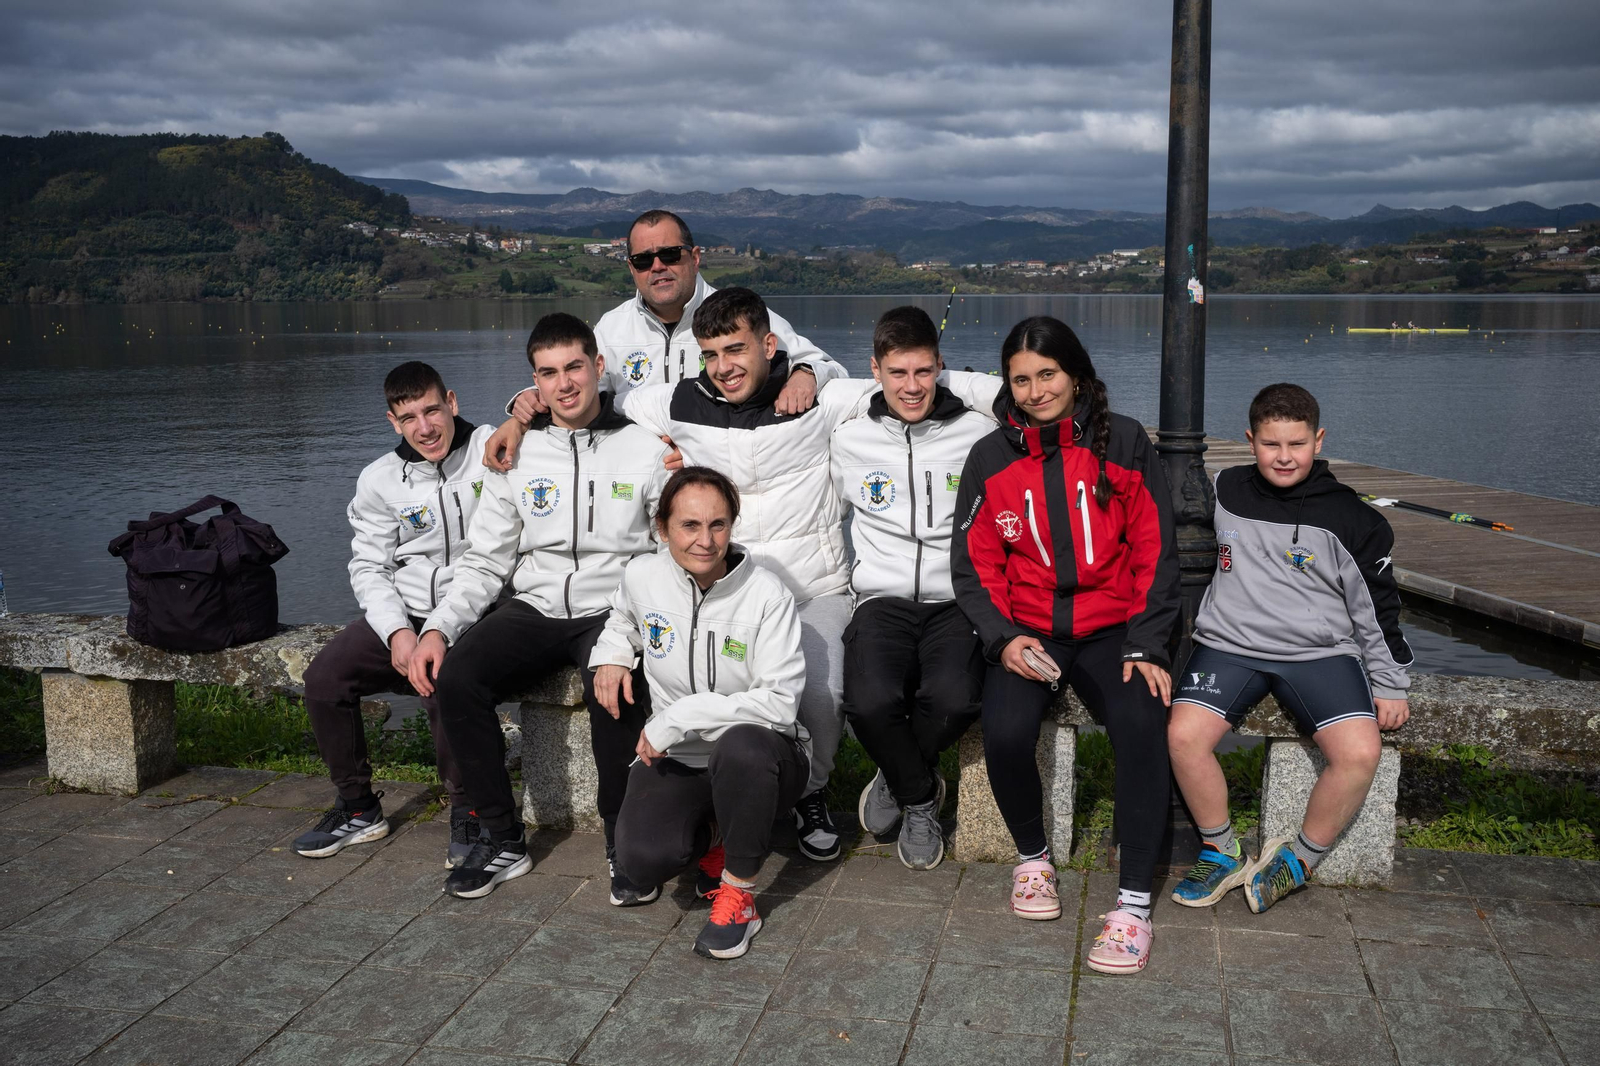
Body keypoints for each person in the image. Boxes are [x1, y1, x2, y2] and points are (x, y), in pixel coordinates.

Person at [490, 287, 856, 862]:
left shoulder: (818, 399)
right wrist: (519, 417)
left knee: (821, 691)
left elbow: (904, 386)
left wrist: (811, 369)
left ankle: (809, 793)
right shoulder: (676, 401)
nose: (723, 368)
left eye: (736, 350)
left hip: (812, 586)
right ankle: (710, 798)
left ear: (769, 344)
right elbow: (588, 399)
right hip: (723, 580)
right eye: (710, 354)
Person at [406, 314, 672, 901]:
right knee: (458, 678)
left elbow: (664, 555)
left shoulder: (647, 449)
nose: (565, 384)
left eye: (574, 367)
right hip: (537, 602)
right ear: (535, 382)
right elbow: (485, 559)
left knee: (618, 690)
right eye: (549, 373)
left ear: (599, 368)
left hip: (614, 606)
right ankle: (502, 837)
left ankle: (622, 841)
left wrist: (630, 632)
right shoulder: (516, 455)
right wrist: (437, 628)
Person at [950, 315, 1179, 976]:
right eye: (1021, 379)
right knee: (1004, 728)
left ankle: (1133, 906)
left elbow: (1155, 553)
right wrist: (1003, 639)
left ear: (1075, 374)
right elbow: (974, 565)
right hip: (1030, 632)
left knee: (1141, 725)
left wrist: (1146, 644)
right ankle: (1033, 860)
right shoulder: (991, 457)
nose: (1035, 390)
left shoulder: (1126, 442)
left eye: (1047, 374)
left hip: (1113, 633)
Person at [1167, 383, 1412, 914]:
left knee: (1360, 753)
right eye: (1270, 444)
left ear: (1318, 440)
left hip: (1319, 654)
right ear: (1250, 440)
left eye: (1297, 444)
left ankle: (1299, 858)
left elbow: (1379, 610)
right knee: (1184, 737)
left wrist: (1391, 682)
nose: (1283, 457)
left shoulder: (1355, 520)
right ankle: (1223, 850)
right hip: (1231, 645)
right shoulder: (1225, 486)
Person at [591, 467, 809, 960]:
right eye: (689, 526)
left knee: (743, 746)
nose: (705, 541)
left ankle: (739, 893)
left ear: (732, 526)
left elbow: (778, 703)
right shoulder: (641, 575)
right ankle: (718, 833)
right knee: (643, 862)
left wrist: (678, 717)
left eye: (718, 525)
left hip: (767, 757)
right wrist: (612, 651)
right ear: (662, 527)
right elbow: (623, 617)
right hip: (682, 760)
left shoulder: (767, 594)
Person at [294, 362, 494, 865]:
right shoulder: (380, 479)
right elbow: (368, 566)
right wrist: (398, 631)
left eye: (431, 410)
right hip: (407, 611)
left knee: (443, 681)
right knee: (323, 679)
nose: (425, 428)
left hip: (476, 608)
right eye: (409, 418)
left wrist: (439, 631)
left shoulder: (492, 449)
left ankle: (469, 810)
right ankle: (358, 807)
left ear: (452, 400)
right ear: (392, 421)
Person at [830, 306, 1000, 870]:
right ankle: (922, 795)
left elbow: (1028, 398)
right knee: (868, 701)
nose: (911, 387)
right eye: (898, 373)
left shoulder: (977, 430)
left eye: (924, 372)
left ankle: (899, 774)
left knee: (955, 699)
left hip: (957, 598)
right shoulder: (849, 439)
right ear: (874, 371)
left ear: (940, 368)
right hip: (881, 598)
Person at [592, 208, 834, 410]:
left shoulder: (739, 313)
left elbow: (828, 366)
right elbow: (590, 402)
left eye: (670, 255)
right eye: (643, 260)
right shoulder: (610, 329)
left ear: (695, 258)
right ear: (631, 268)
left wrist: (805, 374)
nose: (657, 266)